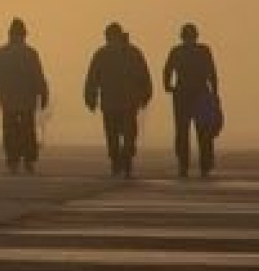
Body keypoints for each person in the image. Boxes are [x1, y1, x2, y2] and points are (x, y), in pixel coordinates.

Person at [84, 22, 153, 179]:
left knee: (126, 134)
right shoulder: (106, 54)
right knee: (113, 135)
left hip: (124, 103)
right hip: (115, 103)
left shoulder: (124, 53)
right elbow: (93, 78)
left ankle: (125, 159)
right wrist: (90, 96)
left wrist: (146, 94)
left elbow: (143, 76)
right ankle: (117, 160)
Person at [0, 17, 50, 174]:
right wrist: (43, 94)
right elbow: (38, 76)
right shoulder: (31, 53)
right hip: (27, 99)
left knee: (9, 129)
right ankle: (28, 160)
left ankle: (12, 159)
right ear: (24, 35)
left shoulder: (1, 53)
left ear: (10, 35)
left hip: (8, 99)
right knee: (27, 130)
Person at [163, 22, 220, 178]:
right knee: (203, 133)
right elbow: (212, 73)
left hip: (183, 95)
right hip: (200, 94)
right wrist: (215, 94)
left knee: (183, 132)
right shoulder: (203, 51)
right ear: (196, 36)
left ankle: (184, 165)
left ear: (182, 36)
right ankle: (204, 166)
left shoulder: (177, 51)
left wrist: (168, 86)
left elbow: (167, 70)